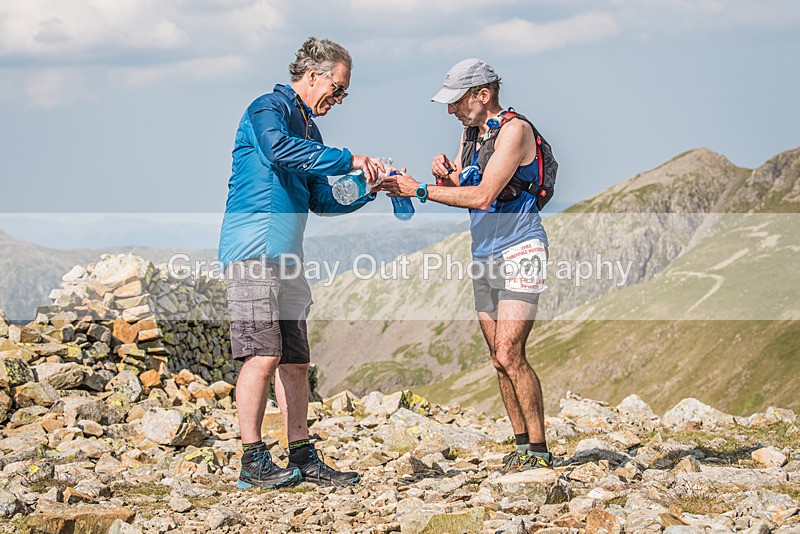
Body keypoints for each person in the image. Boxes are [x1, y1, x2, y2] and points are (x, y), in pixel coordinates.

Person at [218, 37, 384, 489]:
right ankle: (252, 460)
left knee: (294, 358)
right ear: (313, 76)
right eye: (339, 88)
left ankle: (301, 453)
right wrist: (351, 157)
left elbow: (322, 199)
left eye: (345, 92)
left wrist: (368, 187)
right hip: (252, 248)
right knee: (263, 351)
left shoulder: (312, 132)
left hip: (288, 255)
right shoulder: (267, 108)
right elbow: (276, 150)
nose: (340, 98)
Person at [383, 58, 553, 470]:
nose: (450, 110)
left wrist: (420, 190)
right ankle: (521, 449)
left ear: (483, 94)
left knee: (511, 352)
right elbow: (469, 186)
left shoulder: (515, 131)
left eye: (456, 101)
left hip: (520, 248)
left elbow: (482, 196)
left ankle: (542, 452)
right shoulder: (472, 134)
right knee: (497, 357)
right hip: (484, 254)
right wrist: (446, 176)